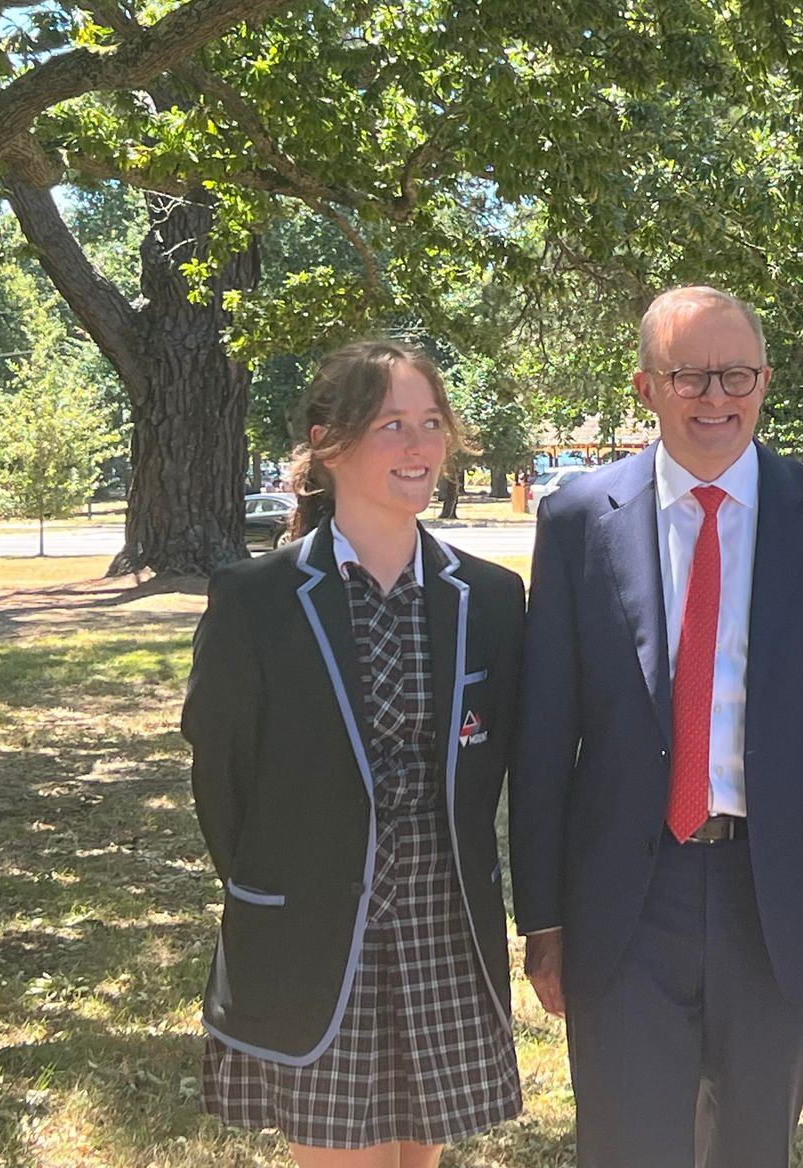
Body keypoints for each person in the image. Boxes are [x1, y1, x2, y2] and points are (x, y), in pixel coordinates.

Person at [510, 285, 803, 1168]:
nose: (715, 398)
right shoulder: (578, 521)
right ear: (646, 387)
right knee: (625, 1145)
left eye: (736, 375)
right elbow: (543, 737)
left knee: (752, 1144)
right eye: (688, 376)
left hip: (778, 894)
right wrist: (541, 916)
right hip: (624, 898)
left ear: (765, 382)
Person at [182, 339, 525, 1168]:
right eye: (390, 426)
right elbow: (221, 780)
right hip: (314, 939)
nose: (418, 448)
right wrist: (286, 883)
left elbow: (500, 765)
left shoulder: (490, 597)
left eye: (431, 423)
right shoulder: (254, 600)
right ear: (327, 442)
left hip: (444, 933)